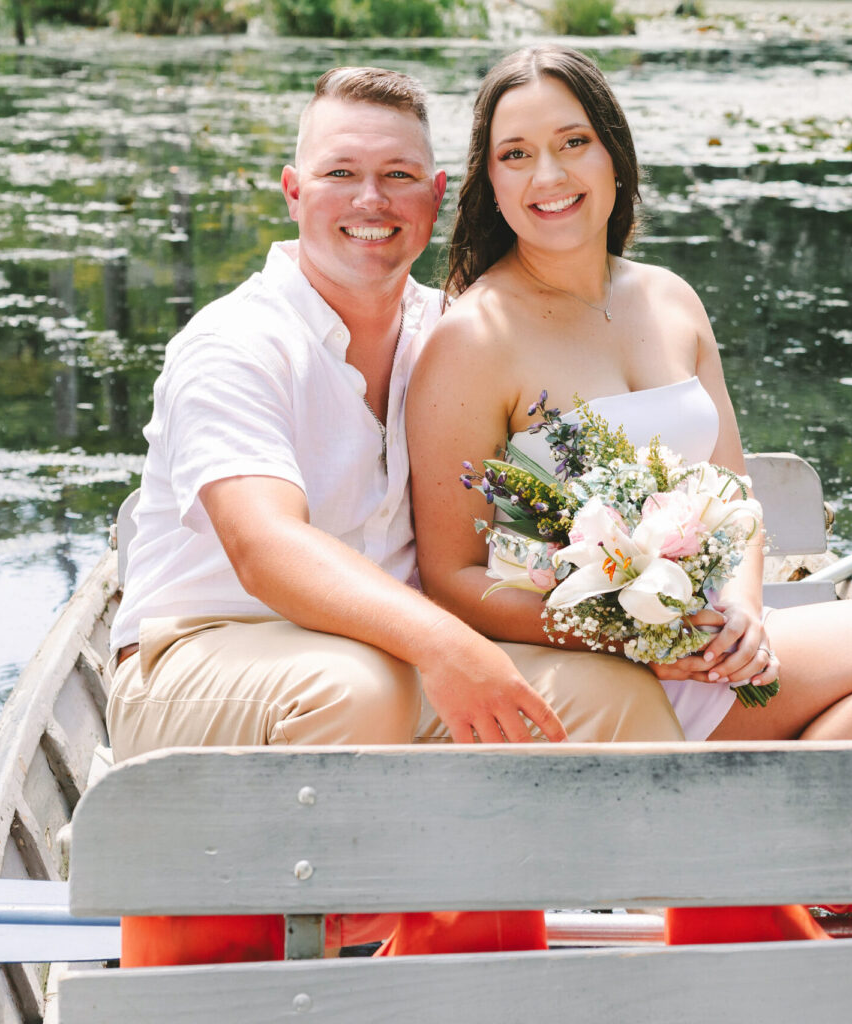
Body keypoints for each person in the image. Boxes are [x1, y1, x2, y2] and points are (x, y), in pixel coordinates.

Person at [105, 65, 685, 963]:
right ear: (295, 192)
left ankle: (663, 931)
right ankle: (333, 959)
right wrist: (449, 646)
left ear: (438, 195)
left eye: (399, 176)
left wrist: (674, 581)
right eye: (340, 173)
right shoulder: (234, 344)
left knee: (613, 693)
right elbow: (267, 549)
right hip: (199, 666)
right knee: (353, 688)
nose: (369, 200)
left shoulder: (447, 332)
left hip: (385, 663)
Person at [407, 45, 852, 746]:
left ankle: (758, 791)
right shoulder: (474, 339)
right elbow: (452, 578)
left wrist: (745, 611)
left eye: (573, 142)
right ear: (490, 178)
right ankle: (767, 832)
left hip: (710, 632)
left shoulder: (671, 299)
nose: (548, 174)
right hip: (602, 661)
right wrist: (634, 636)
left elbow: (733, 496)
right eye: (515, 154)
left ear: (613, 154)